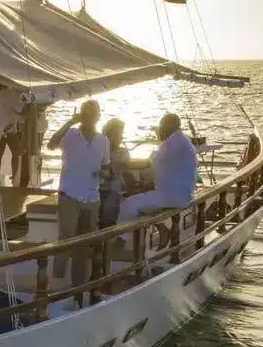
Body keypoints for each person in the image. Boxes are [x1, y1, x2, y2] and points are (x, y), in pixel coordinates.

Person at [47, 99, 109, 291]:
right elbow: (51, 145)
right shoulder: (70, 134)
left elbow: (106, 167)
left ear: (98, 116)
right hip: (70, 195)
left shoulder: (103, 140)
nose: (89, 117)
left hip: (91, 198)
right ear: (81, 115)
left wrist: (104, 173)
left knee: (84, 245)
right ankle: (56, 284)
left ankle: (78, 287)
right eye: (86, 113)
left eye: (92, 113)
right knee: (66, 240)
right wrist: (69, 122)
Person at [118, 112, 198, 223]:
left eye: (161, 126)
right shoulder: (182, 140)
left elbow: (149, 163)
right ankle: (152, 227)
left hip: (173, 196)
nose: (159, 129)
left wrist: (123, 165)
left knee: (127, 204)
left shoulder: (173, 142)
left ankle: (125, 234)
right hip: (183, 194)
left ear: (169, 126)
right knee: (140, 198)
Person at [0, 84, 26, 184]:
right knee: (15, 154)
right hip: (10, 129)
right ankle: (14, 177)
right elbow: (19, 111)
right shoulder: (9, 93)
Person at [99, 118, 129, 228]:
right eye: (115, 134)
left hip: (112, 190)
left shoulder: (123, 152)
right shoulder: (99, 150)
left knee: (110, 200)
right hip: (97, 188)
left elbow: (121, 172)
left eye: (120, 134)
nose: (119, 137)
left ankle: (108, 229)